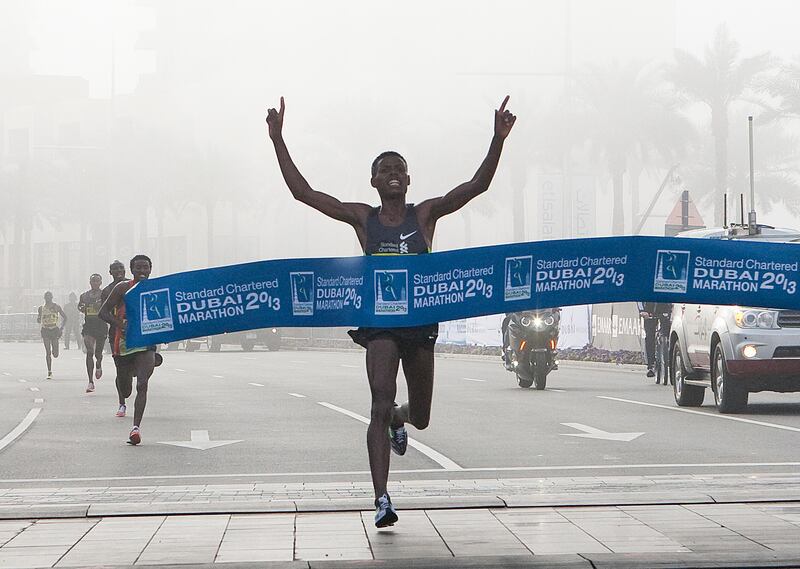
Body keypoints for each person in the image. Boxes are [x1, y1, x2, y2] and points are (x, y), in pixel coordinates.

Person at [266, 95, 515, 527]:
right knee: (378, 405)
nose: (394, 174)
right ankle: (381, 498)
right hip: (379, 326)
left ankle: (402, 419)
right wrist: (277, 139)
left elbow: (476, 186)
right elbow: (304, 193)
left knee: (419, 416)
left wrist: (497, 140)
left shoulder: (426, 214)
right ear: (373, 182)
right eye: (385, 170)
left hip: (419, 326)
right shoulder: (364, 218)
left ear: (409, 179)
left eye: (400, 168)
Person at [99, 255, 157, 445]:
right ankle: (124, 390)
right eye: (138, 267)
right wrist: (121, 325)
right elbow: (103, 312)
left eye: (145, 267)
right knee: (126, 388)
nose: (142, 271)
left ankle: (135, 428)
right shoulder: (122, 288)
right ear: (132, 270)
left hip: (146, 344)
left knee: (142, 384)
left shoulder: (156, 287)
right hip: (123, 344)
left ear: (150, 270)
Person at [101, 260, 130, 414]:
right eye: (115, 269)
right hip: (117, 335)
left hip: (136, 333)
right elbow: (103, 313)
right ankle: (122, 403)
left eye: (121, 268)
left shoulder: (133, 285)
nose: (119, 271)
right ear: (110, 272)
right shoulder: (107, 291)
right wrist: (120, 324)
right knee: (120, 369)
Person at [78, 274, 109, 393]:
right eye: (93, 281)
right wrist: (82, 307)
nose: (95, 283)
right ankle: (90, 381)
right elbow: (80, 306)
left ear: (100, 283)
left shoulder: (104, 294)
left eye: (97, 281)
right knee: (89, 352)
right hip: (89, 326)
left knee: (98, 353)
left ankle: (99, 364)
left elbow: (110, 306)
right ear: (90, 282)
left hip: (100, 326)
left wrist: (101, 306)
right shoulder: (84, 296)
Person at [638, 302, 672, 378]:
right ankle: (651, 365)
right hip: (649, 310)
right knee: (650, 336)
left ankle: (669, 358)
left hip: (665, 308)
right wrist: (642, 310)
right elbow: (639, 298)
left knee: (668, 334)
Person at [37, 291, 66, 379]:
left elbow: (65, 317)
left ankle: (55, 351)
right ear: (44, 298)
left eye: (49, 297)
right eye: (46, 297)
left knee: (55, 354)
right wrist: (39, 319)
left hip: (54, 329)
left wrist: (61, 328)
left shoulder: (56, 307)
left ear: (52, 298)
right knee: (48, 352)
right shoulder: (41, 308)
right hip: (45, 330)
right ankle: (49, 371)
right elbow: (39, 318)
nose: (48, 299)